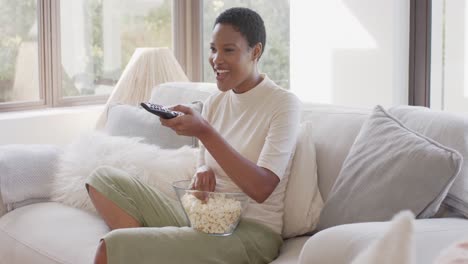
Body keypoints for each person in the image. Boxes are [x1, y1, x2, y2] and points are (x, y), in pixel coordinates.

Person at [85, 7, 301, 264]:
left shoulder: (283, 103)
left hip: (251, 233)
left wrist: (205, 132)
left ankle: (146, 250)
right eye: (213, 49)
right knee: (101, 179)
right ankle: (153, 251)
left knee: (112, 246)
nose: (216, 59)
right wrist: (201, 171)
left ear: (256, 51)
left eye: (228, 50)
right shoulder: (215, 102)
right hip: (204, 217)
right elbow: (205, 160)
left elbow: (262, 187)